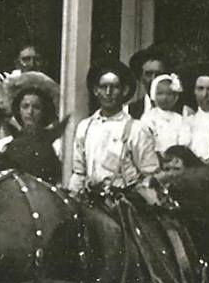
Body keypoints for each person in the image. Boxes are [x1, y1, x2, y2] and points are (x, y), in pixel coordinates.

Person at [67, 62, 159, 191]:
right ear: (96, 90)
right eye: (103, 87)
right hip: (91, 201)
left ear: (124, 90)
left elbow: (149, 173)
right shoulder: (85, 127)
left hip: (125, 200)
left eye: (114, 87)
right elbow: (79, 173)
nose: (108, 93)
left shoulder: (136, 129)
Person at [0, 71, 64, 182]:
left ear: (44, 111)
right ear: (18, 110)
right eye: (25, 106)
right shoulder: (7, 143)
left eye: (36, 107)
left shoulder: (56, 144)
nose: (30, 112)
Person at [139, 72, 192, 162]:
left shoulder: (179, 119)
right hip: (153, 157)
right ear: (153, 94)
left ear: (175, 97)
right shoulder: (148, 117)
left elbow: (185, 138)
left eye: (169, 94)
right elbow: (145, 138)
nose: (164, 98)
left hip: (175, 158)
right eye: (160, 93)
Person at [126, 44, 171, 120]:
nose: (153, 79)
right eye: (148, 74)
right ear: (140, 78)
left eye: (158, 74)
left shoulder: (180, 111)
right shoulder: (129, 111)